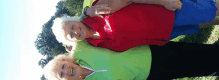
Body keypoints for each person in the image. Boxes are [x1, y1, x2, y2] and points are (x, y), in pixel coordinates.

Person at [44, 40, 219, 80]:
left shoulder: (81, 49)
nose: (66, 70)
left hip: (150, 51)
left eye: (62, 65)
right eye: (61, 74)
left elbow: (83, 24)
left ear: (65, 60)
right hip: (149, 75)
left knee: (191, 52)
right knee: (190, 69)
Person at [52, 0, 219, 51]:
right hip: (162, 34)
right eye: (71, 35)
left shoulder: (96, 10)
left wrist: (164, 1)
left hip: (165, 12)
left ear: (74, 20)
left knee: (210, 9)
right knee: (199, 23)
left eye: (72, 26)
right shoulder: (95, 44)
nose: (75, 32)